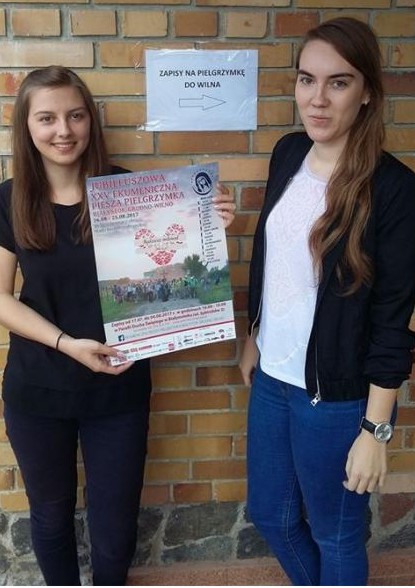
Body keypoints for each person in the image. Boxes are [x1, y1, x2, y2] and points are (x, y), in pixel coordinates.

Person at [0, 65, 235, 586]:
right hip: (38, 390)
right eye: (47, 118)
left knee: (115, 528)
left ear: (91, 120)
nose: (64, 130)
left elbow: (178, 268)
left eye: (75, 115)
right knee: (50, 517)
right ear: (27, 126)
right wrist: (66, 344)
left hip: (119, 389)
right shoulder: (8, 200)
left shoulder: (131, 192)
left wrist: (208, 227)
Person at [239, 17, 415, 587]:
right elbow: (273, 259)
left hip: (337, 396)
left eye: (338, 82)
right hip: (272, 379)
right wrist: (255, 334)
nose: (317, 99)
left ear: (366, 93)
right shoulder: (289, 152)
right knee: (272, 515)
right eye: (306, 79)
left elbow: (394, 318)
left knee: (336, 533)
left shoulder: (393, 189)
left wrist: (375, 430)